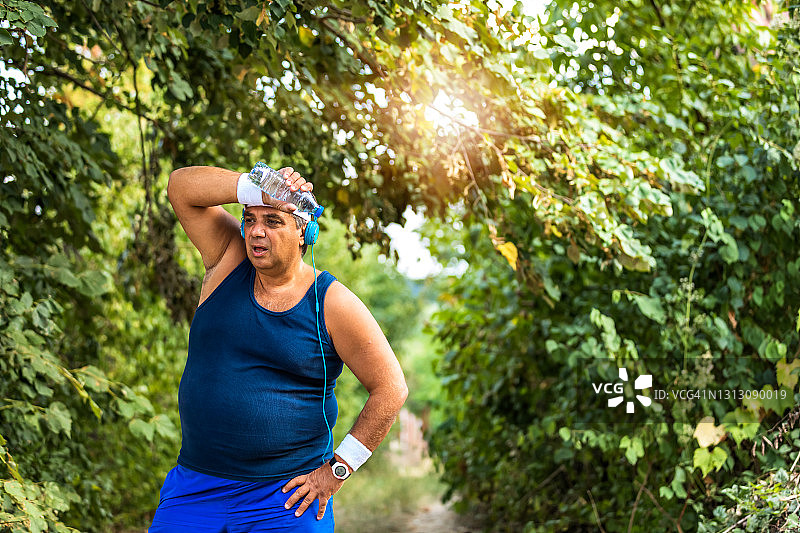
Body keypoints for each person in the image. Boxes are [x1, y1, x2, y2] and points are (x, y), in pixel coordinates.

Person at [149, 165, 408, 532]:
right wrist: (258, 187)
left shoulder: (331, 302)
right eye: (250, 218)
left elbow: (391, 388)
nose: (256, 231)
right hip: (196, 488)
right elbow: (180, 187)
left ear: (304, 231)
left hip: (285, 499)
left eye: (273, 220)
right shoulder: (228, 260)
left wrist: (337, 470)